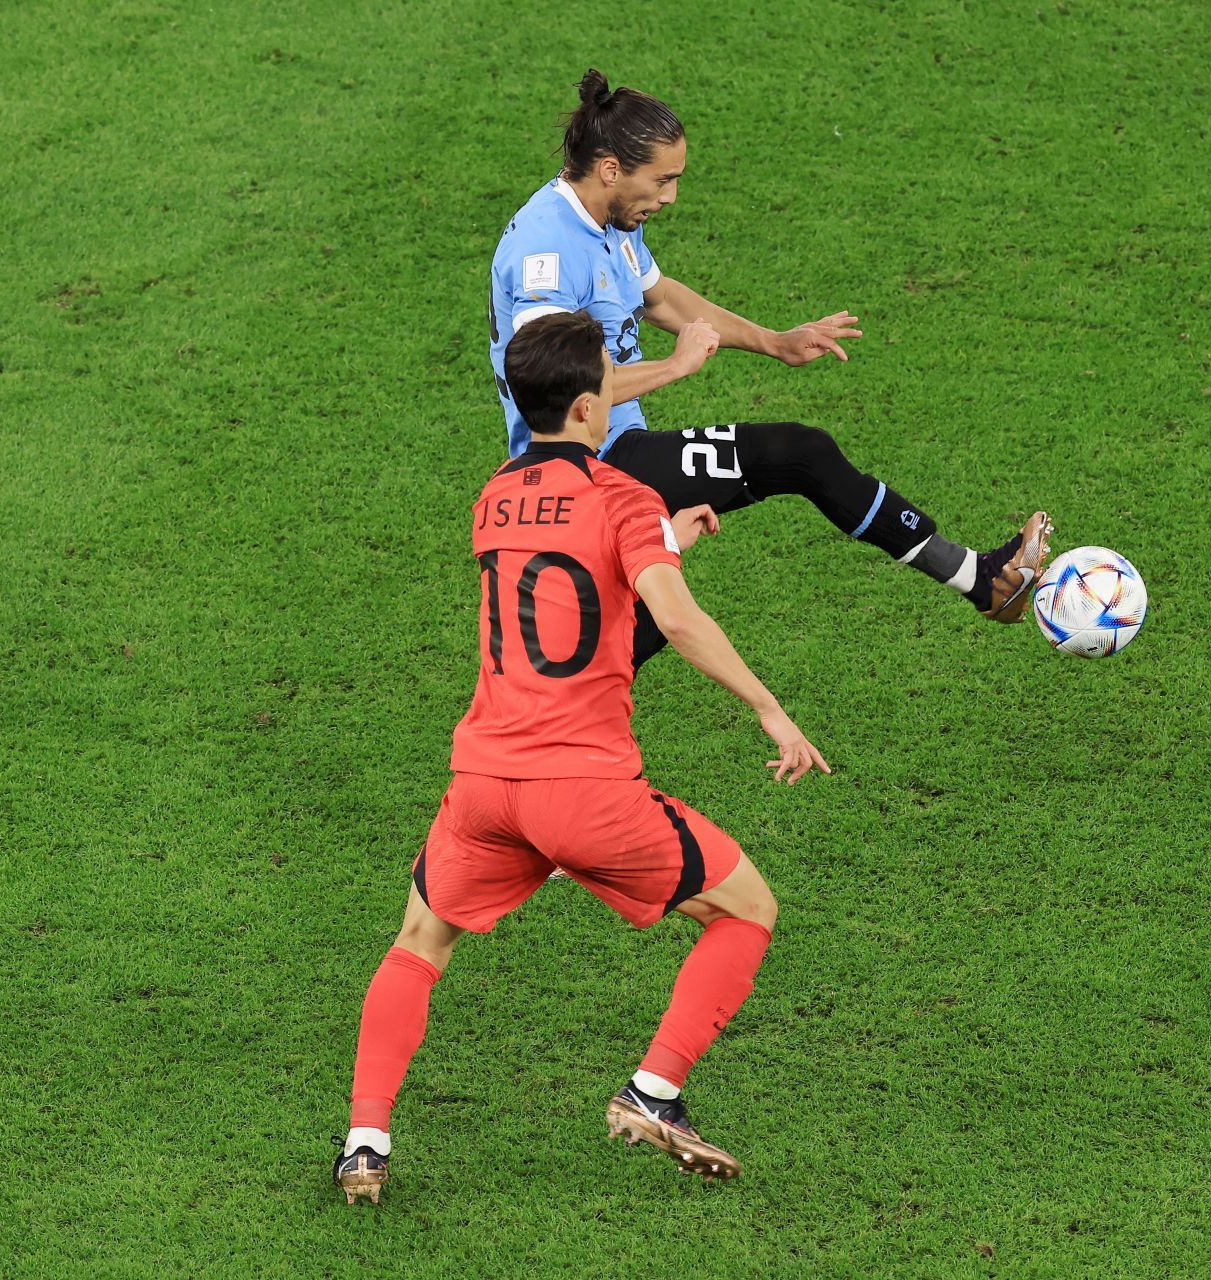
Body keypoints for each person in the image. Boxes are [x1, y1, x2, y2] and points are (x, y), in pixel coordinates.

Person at [336, 312, 830, 1204]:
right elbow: (671, 618)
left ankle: (365, 1143)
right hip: (586, 790)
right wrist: (771, 711)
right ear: (593, 408)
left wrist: (667, 534)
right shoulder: (620, 498)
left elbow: (559, 569)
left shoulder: (493, 495)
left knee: (418, 942)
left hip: (485, 786)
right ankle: (655, 1092)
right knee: (747, 907)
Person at [488, 69, 1053, 665]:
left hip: (615, 443)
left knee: (639, 623)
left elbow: (658, 297)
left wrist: (775, 342)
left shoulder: (609, 220)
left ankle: (549, 712)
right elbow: (554, 388)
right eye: (662, 180)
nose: (670, 197)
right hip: (580, 465)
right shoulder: (545, 252)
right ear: (610, 169)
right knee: (796, 454)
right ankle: (985, 582)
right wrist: (675, 368)